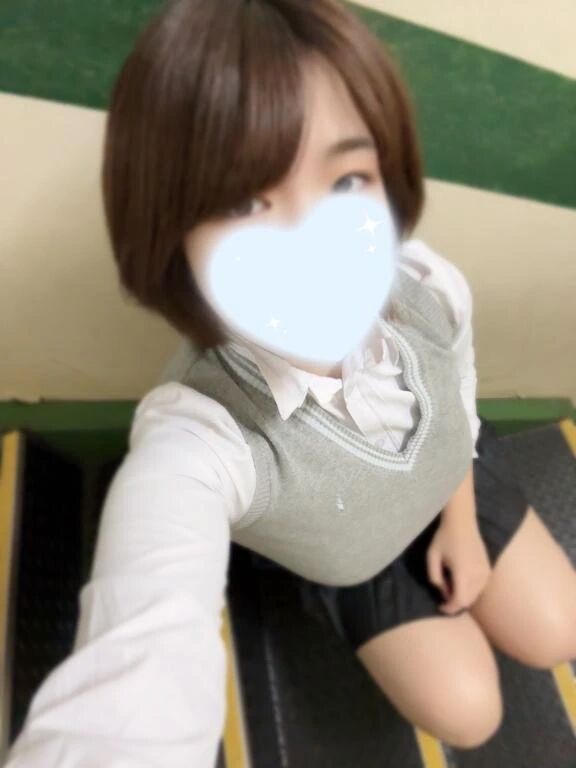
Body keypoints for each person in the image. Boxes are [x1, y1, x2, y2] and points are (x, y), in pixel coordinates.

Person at [5, 0, 576, 765]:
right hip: (353, 558)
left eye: (346, 180)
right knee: (468, 715)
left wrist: (462, 523)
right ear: (170, 234)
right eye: (244, 202)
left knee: (558, 629)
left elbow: (459, 391)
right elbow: (134, 678)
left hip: (451, 478)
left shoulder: (430, 285)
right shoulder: (201, 433)